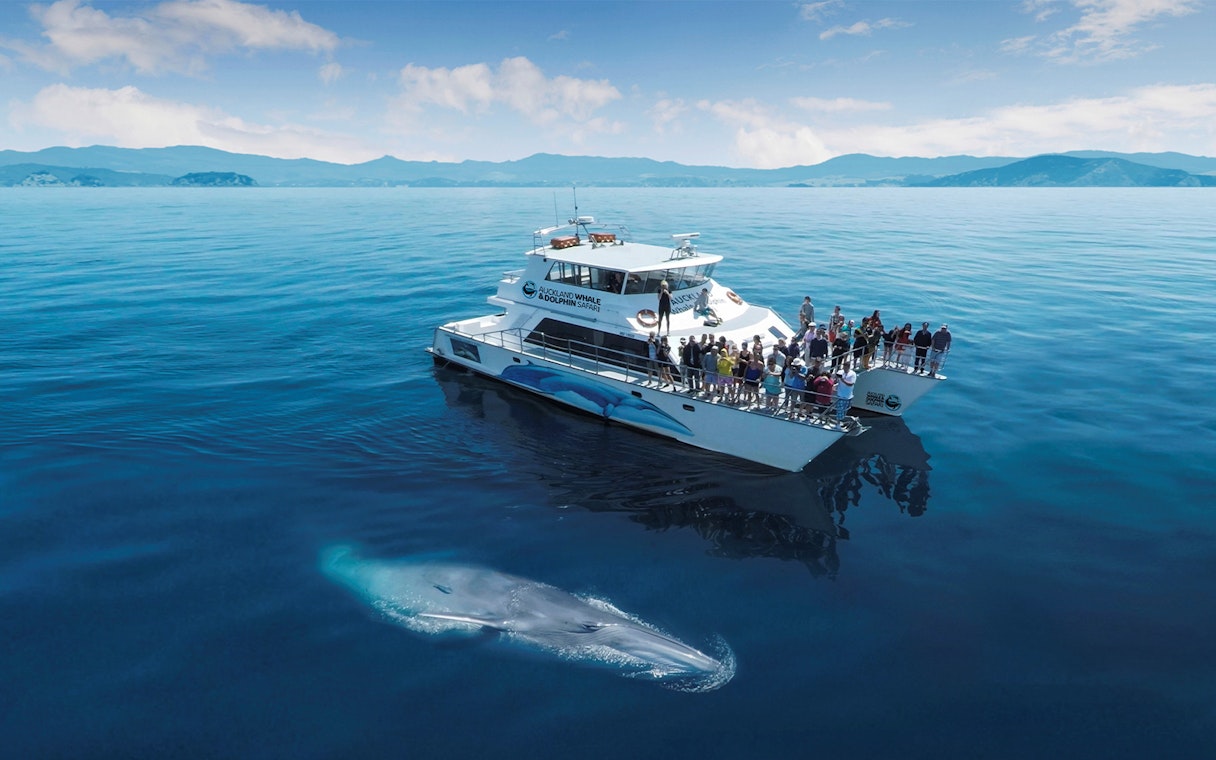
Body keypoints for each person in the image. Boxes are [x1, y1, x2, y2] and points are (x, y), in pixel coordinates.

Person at [834, 360, 856, 429]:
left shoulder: (852, 374)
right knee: (839, 410)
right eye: (843, 367)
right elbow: (836, 380)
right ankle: (837, 424)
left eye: (845, 367)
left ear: (849, 367)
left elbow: (851, 384)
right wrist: (836, 379)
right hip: (840, 395)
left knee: (844, 411)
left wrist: (842, 379)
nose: (844, 368)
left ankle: (840, 421)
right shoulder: (840, 372)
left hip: (848, 395)